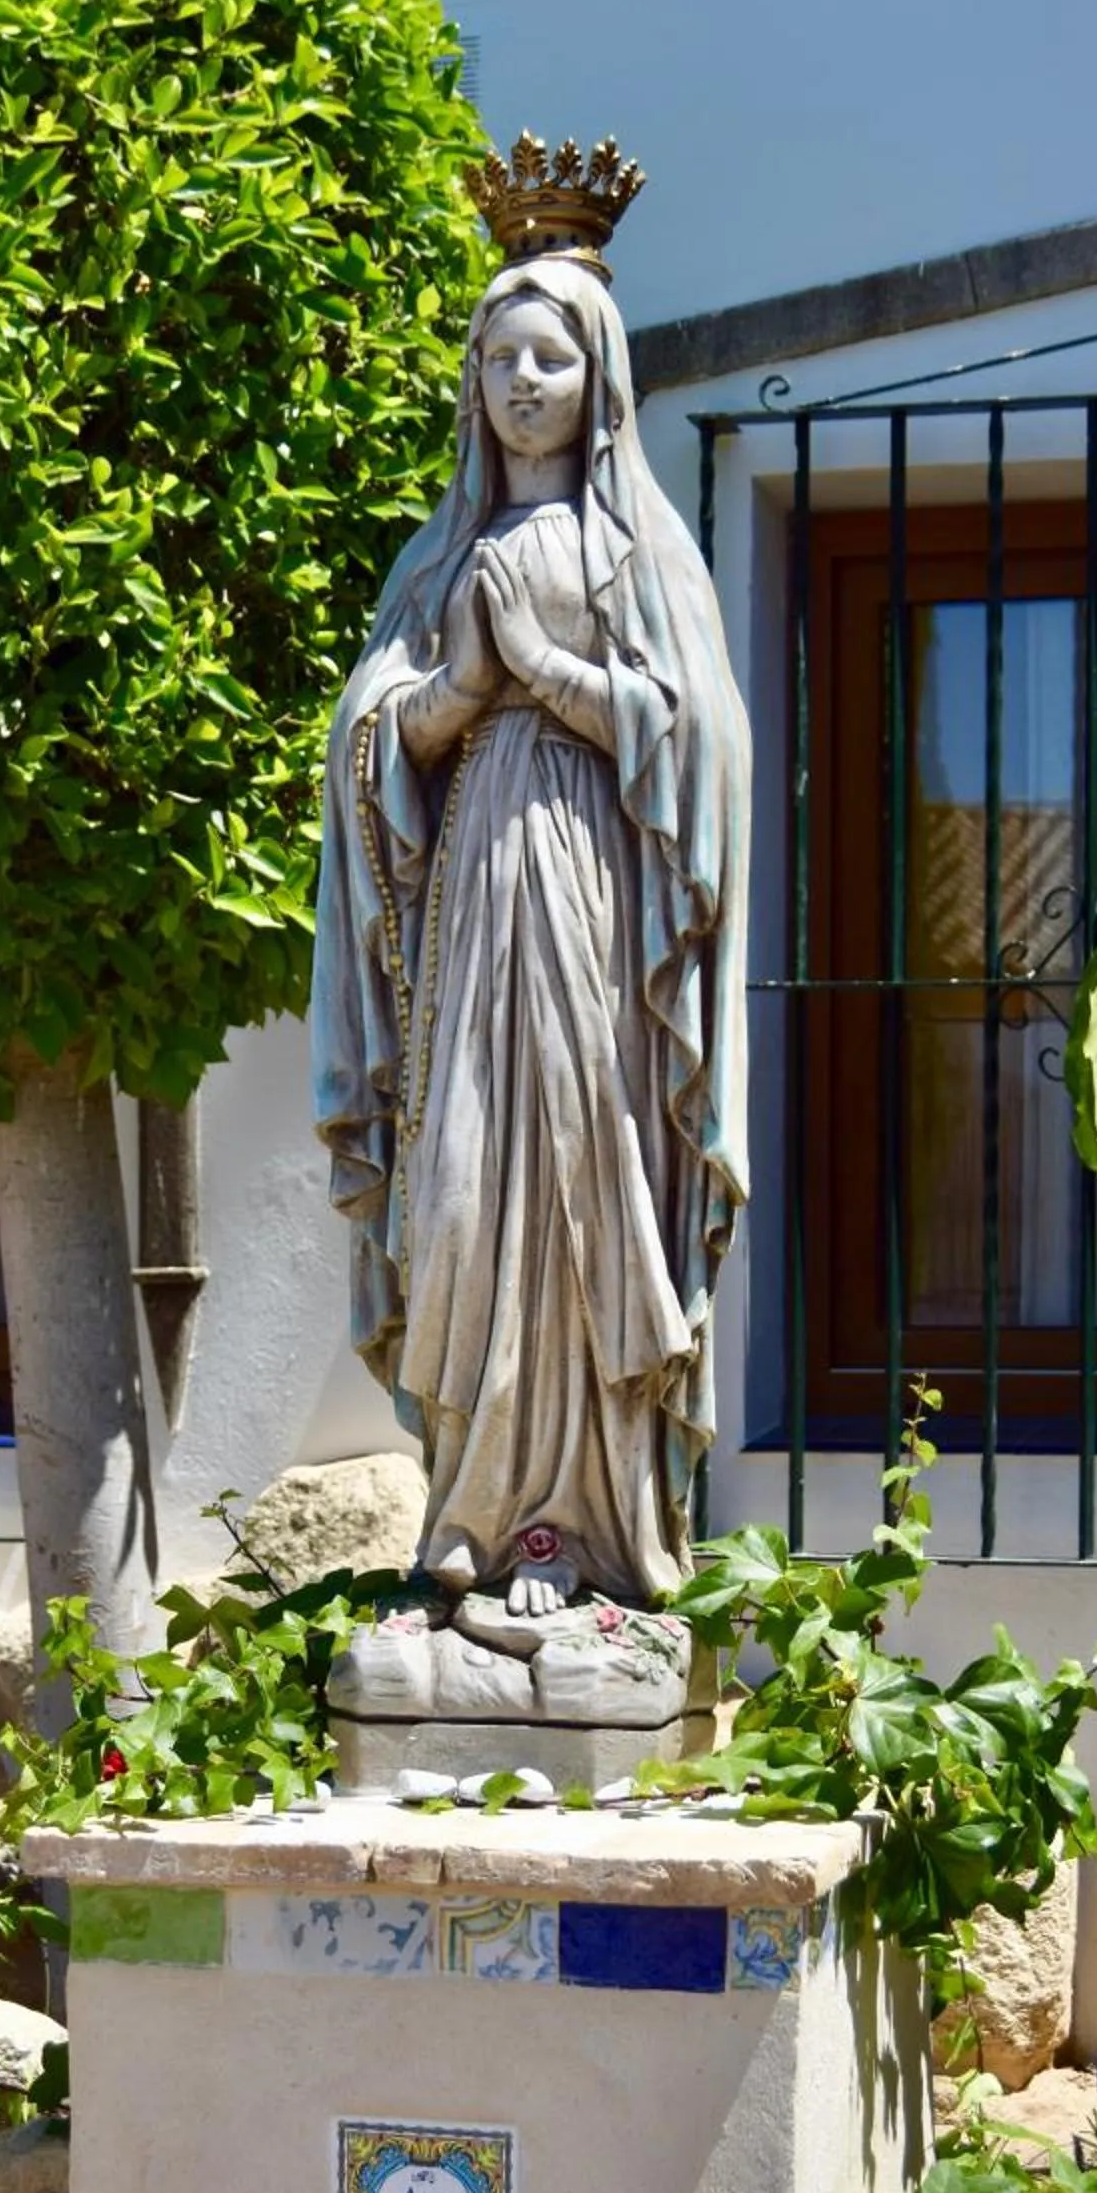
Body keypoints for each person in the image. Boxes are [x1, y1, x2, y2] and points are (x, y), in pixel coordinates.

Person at [313, 238, 748, 1616]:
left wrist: (554, 677)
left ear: (601, 379)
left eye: (549, 356)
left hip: (591, 902)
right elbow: (371, 746)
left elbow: (703, 744)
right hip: (468, 905)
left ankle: (594, 1525)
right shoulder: (436, 556)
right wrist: (450, 695)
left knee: (578, 1170)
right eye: (497, 359)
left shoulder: (644, 556)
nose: (521, 381)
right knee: (464, 1182)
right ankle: (472, 1509)